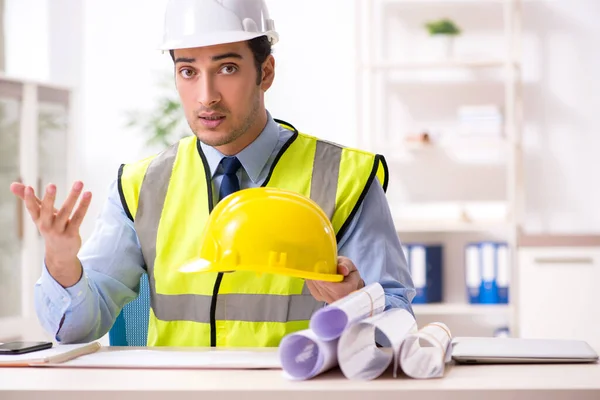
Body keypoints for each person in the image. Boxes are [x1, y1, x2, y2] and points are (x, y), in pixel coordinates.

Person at [10, 0, 415, 347]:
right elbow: (78, 329)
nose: (206, 96)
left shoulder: (346, 177)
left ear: (266, 73)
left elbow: (398, 320)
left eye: (227, 68)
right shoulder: (141, 185)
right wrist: (62, 263)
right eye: (188, 72)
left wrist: (357, 300)